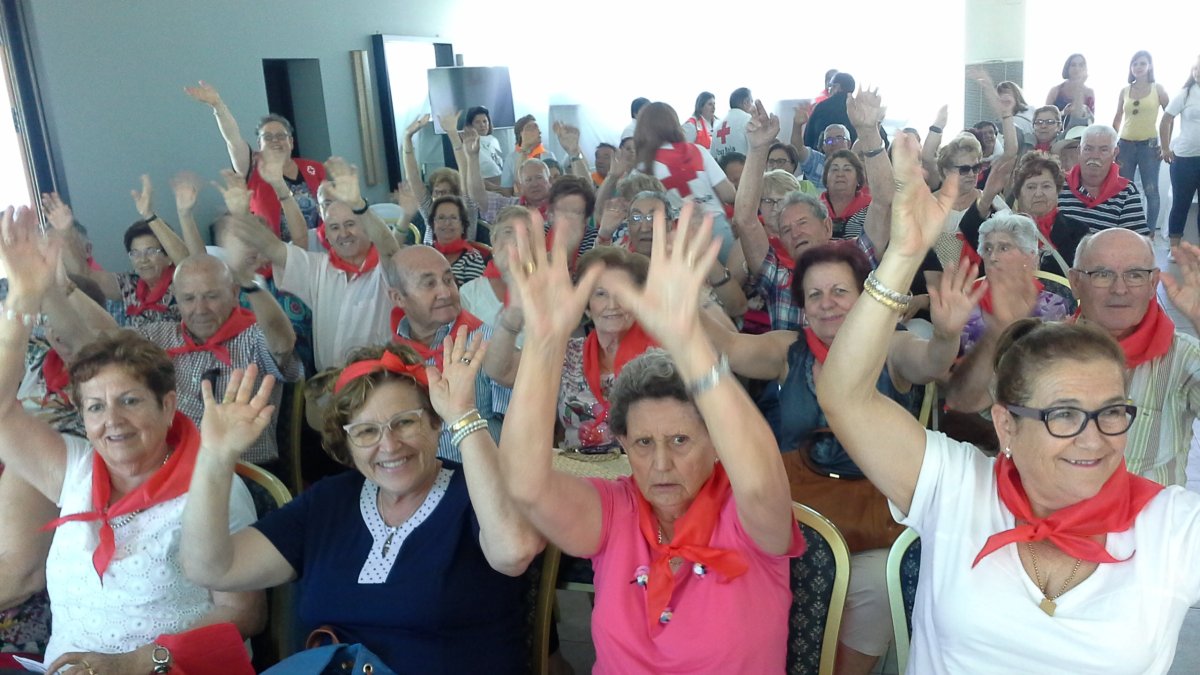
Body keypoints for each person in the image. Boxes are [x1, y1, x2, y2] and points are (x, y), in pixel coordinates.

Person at [816, 131, 1200, 674]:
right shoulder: (960, 490)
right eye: (1063, 414)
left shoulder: (1169, 527)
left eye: (1112, 412)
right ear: (1007, 424)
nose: (1093, 438)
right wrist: (903, 255)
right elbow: (845, 395)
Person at [499, 201, 803, 672]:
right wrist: (544, 342)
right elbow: (525, 485)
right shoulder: (617, 511)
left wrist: (689, 343)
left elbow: (762, 483)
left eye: (680, 441)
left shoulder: (745, 515)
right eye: (644, 443)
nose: (661, 464)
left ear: (716, 443)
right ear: (624, 444)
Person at [180, 335, 542, 674]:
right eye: (366, 432)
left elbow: (513, 552)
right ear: (347, 444)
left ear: (436, 423)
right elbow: (212, 568)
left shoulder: (475, 490)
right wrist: (215, 456)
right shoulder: (329, 501)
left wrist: (463, 415)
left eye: (405, 422)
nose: (389, 446)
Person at [0, 206, 263, 672]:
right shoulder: (76, 469)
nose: (113, 421)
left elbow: (244, 614)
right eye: (95, 408)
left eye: (130, 401)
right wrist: (22, 298)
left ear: (167, 405)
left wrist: (134, 662)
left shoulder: (212, 484)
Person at [701, 240, 975, 675]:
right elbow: (729, 348)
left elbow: (931, 364)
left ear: (865, 298)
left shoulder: (892, 347)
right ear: (803, 307)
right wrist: (683, 300)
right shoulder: (787, 349)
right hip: (792, 518)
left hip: (874, 522)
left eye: (839, 292)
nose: (827, 304)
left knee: (879, 588)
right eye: (815, 295)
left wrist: (945, 334)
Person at [229, 158, 401, 371]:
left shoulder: (385, 269)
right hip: (327, 384)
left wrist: (359, 204)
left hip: (379, 381)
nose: (343, 234)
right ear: (326, 234)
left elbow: (390, 248)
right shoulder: (317, 268)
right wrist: (242, 213)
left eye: (350, 224)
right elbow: (271, 247)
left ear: (366, 227)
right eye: (334, 228)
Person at [185, 81, 324, 240]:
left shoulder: (314, 168)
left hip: (319, 246)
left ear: (291, 142)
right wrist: (218, 106)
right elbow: (233, 139)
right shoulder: (251, 168)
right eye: (268, 137)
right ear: (259, 144)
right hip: (274, 249)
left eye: (281, 136)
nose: (275, 141)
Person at [554, 246, 653, 451]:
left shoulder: (660, 357)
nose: (612, 304)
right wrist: (513, 318)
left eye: (622, 293)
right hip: (575, 465)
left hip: (639, 467)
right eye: (600, 294)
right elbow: (502, 372)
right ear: (586, 305)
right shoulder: (568, 353)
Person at [954, 214, 1072, 354]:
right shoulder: (965, 301)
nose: (993, 257)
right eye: (988, 249)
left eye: (1004, 248)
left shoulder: (1053, 307)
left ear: (1029, 256)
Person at [633, 101, 737, 257]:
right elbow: (729, 194)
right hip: (716, 230)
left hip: (675, 237)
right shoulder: (697, 151)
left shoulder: (642, 167)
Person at [1113, 51, 1170, 235]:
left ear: (1149, 66)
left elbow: (1169, 117)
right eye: (1135, 64)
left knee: (1151, 191)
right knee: (1123, 190)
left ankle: (1149, 234)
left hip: (1149, 147)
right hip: (1125, 146)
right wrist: (1113, 144)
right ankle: (1126, 232)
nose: (1138, 67)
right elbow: (1117, 118)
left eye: (1142, 63)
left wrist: (1166, 145)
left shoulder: (1158, 89)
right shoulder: (1124, 91)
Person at [1057, 124, 1148, 235]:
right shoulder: (1059, 183)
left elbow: (1136, 240)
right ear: (1079, 151)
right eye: (1088, 149)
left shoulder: (1127, 191)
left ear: (1115, 153)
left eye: (1103, 150)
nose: (1095, 156)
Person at [1161, 54, 1200, 252]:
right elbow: (1166, 120)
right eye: (1196, 68)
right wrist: (1165, 148)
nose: (1198, 72)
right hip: (1184, 160)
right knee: (1180, 204)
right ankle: (1174, 249)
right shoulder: (1185, 94)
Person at [429, 196, 488, 286]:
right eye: (441, 218)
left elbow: (472, 294)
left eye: (453, 218)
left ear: (463, 226)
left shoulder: (472, 258)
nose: (447, 223)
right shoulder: (425, 254)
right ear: (433, 225)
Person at [804, 72, 857, 149]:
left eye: (830, 86)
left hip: (823, 154)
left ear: (837, 87)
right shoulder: (859, 108)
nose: (828, 90)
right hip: (853, 155)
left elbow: (808, 138)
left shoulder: (822, 107)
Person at [1046, 53, 1095, 131]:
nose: (1077, 68)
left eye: (1081, 65)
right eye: (1073, 65)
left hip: (1081, 133)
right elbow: (1045, 116)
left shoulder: (1089, 92)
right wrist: (1063, 113)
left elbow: (1088, 119)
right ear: (1067, 68)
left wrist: (1080, 86)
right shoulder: (1056, 90)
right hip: (1057, 133)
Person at [465, 105, 505, 185]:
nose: (482, 125)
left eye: (485, 121)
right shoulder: (469, 146)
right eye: (477, 122)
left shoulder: (493, 140)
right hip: (484, 188)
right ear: (470, 125)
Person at [710, 87, 753, 160]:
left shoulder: (717, 127)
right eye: (752, 101)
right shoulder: (749, 120)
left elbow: (713, 158)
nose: (753, 105)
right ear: (746, 102)